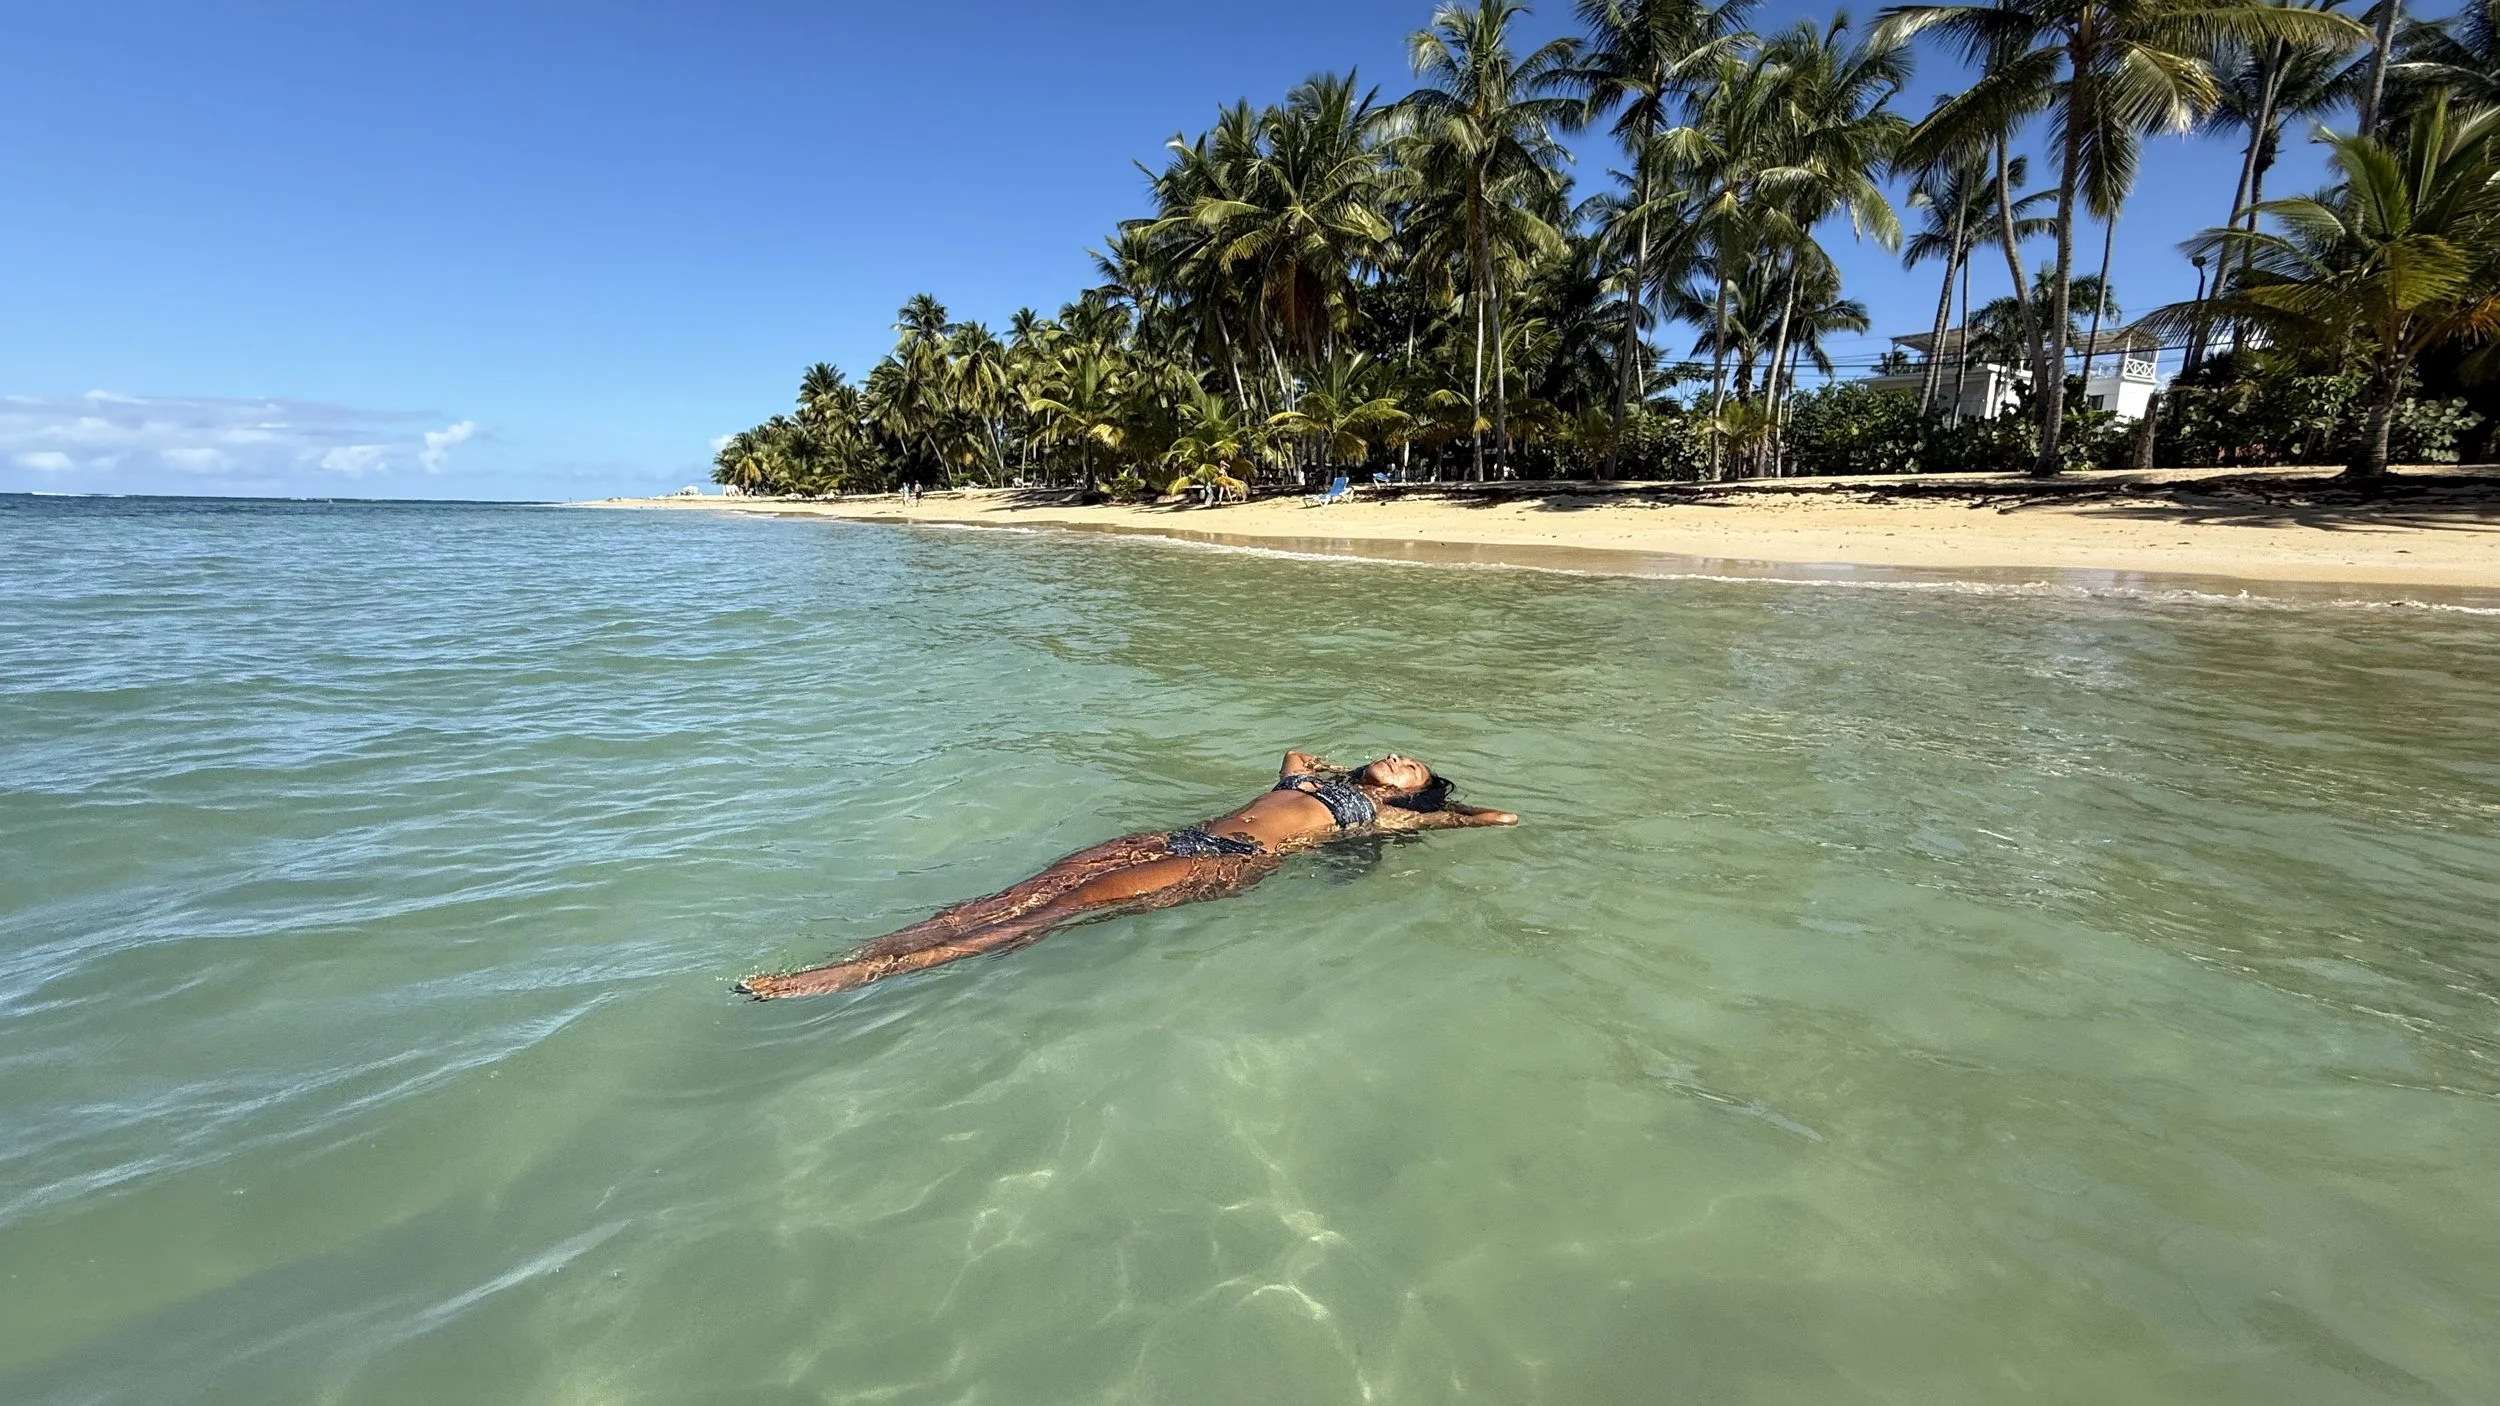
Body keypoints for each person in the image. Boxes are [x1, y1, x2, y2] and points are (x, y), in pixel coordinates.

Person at [738, 752, 1516, 999]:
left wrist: (1453, 808)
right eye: (1400, 750)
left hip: (1229, 863)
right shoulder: (1314, 782)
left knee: (1055, 912)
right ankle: (888, 944)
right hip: (1173, 836)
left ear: (1414, 790)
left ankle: (844, 977)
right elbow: (1294, 754)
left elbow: (1483, 820)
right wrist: (1319, 768)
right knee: (1015, 893)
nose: (1400, 756)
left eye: (1413, 765)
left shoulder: (1388, 817)